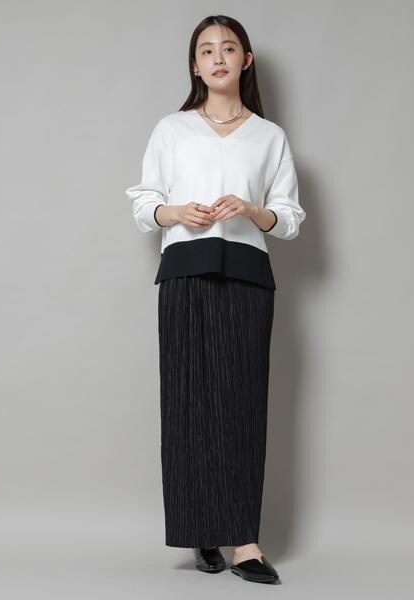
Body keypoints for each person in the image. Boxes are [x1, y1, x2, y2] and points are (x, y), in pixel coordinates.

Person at [125, 14, 306, 585]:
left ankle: (245, 542)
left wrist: (253, 211)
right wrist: (176, 211)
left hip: (248, 276)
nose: (218, 57)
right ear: (195, 65)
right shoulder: (172, 130)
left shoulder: (269, 136)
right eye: (207, 50)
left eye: (229, 48)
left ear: (246, 60)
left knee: (242, 404)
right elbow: (143, 204)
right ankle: (201, 531)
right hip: (184, 272)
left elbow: (290, 218)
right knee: (187, 404)